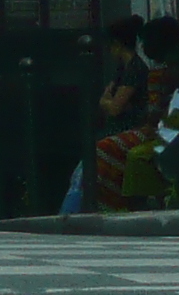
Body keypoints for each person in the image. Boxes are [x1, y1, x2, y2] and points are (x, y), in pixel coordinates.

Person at [89, 18, 179, 211]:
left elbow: (169, 130)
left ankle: (126, 203)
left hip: (162, 137)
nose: (143, 47)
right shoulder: (164, 78)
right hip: (159, 133)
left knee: (120, 152)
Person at [59, 17, 149, 215]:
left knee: (86, 171)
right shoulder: (121, 70)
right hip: (115, 128)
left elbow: (114, 105)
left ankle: (72, 213)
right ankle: (71, 211)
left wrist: (107, 102)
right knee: (81, 174)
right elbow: (107, 99)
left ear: (116, 44)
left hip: (125, 129)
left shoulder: (135, 69)